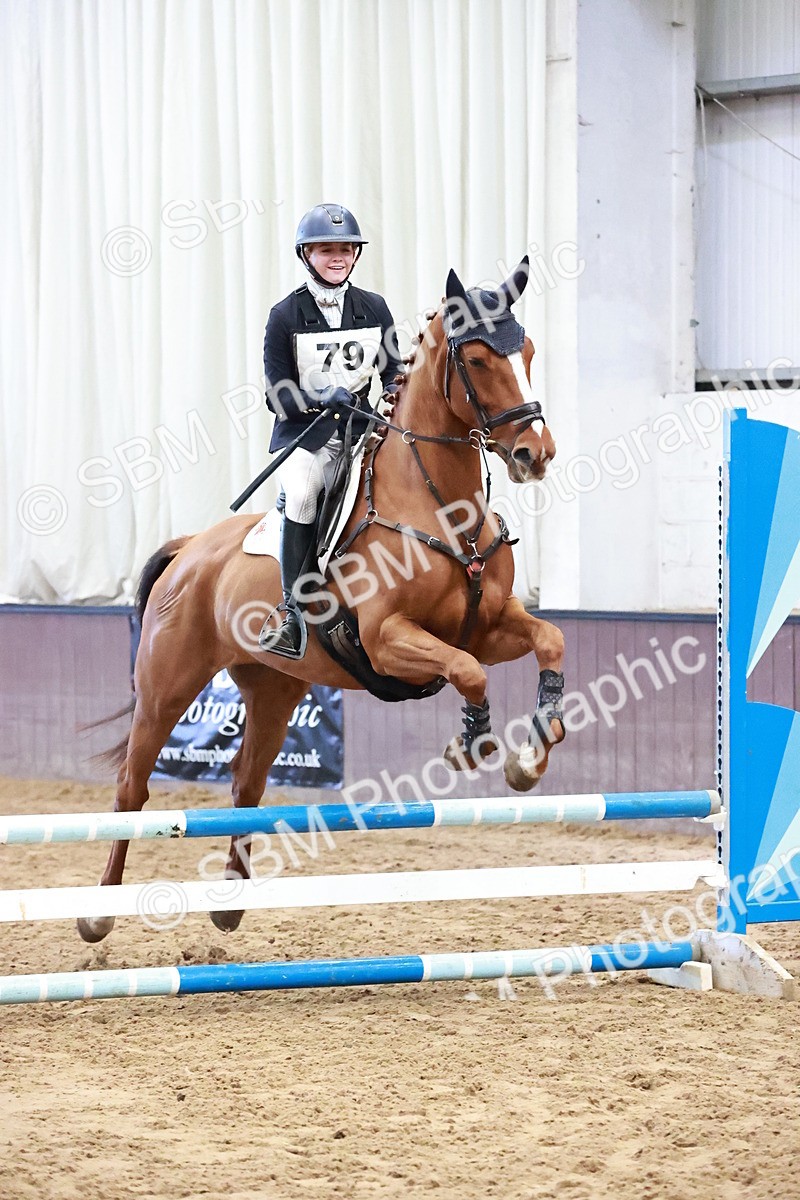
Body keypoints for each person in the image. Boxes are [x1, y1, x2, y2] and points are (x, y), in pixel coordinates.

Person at [260, 203, 402, 658]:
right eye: (326, 250)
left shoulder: (375, 308)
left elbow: (393, 372)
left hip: (363, 434)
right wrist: (321, 400)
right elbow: (277, 395)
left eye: (345, 249)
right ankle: (290, 612)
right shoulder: (284, 315)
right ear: (307, 255)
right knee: (302, 494)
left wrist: (400, 395)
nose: (337, 257)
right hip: (307, 437)